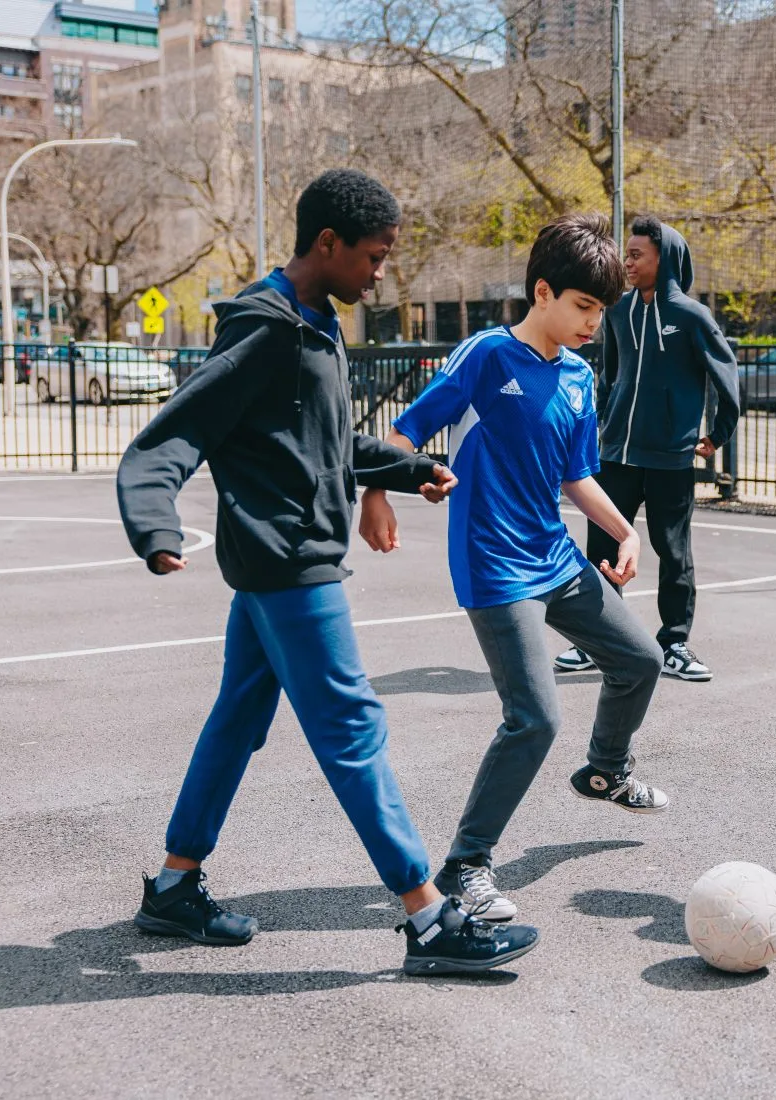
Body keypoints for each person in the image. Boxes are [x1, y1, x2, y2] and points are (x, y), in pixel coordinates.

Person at [116, 169, 539, 976]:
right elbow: (176, 431)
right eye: (374, 258)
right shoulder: (266, 327)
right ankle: (428, 919)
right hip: (286, 562)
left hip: (289, 555)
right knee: (352, 726)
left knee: (238, 720)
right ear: (328, 244)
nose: (380, 274)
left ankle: (173, 886)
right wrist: (155, 521)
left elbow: (327, 443)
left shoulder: (315, 322)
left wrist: (405, 468)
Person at [359, 213, 668, 924]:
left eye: (602, 311)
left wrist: (624, 531)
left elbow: (576, 476)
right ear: (542, 292)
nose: (594, 322)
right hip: (495, 565)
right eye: (584, 306)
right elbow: (406, 431)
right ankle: (466, 865)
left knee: (641, 661)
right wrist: (378, 491)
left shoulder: (580, 378)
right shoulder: (487, 356)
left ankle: (606, 770)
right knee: (533, 718)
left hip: (555, 556)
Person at [552, 214, 741, 683]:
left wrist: (718, 433)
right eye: (626, 253)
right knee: (601, 545)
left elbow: (726, 376)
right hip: (615, 454)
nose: (627, 262)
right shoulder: (616, 310)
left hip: (670, 459)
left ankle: (674, 642)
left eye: (636, 255)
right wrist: (603, 425)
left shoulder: (692, 317)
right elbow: (611, 375)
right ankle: (597, 641)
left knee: (672, 551)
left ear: (665, 259)